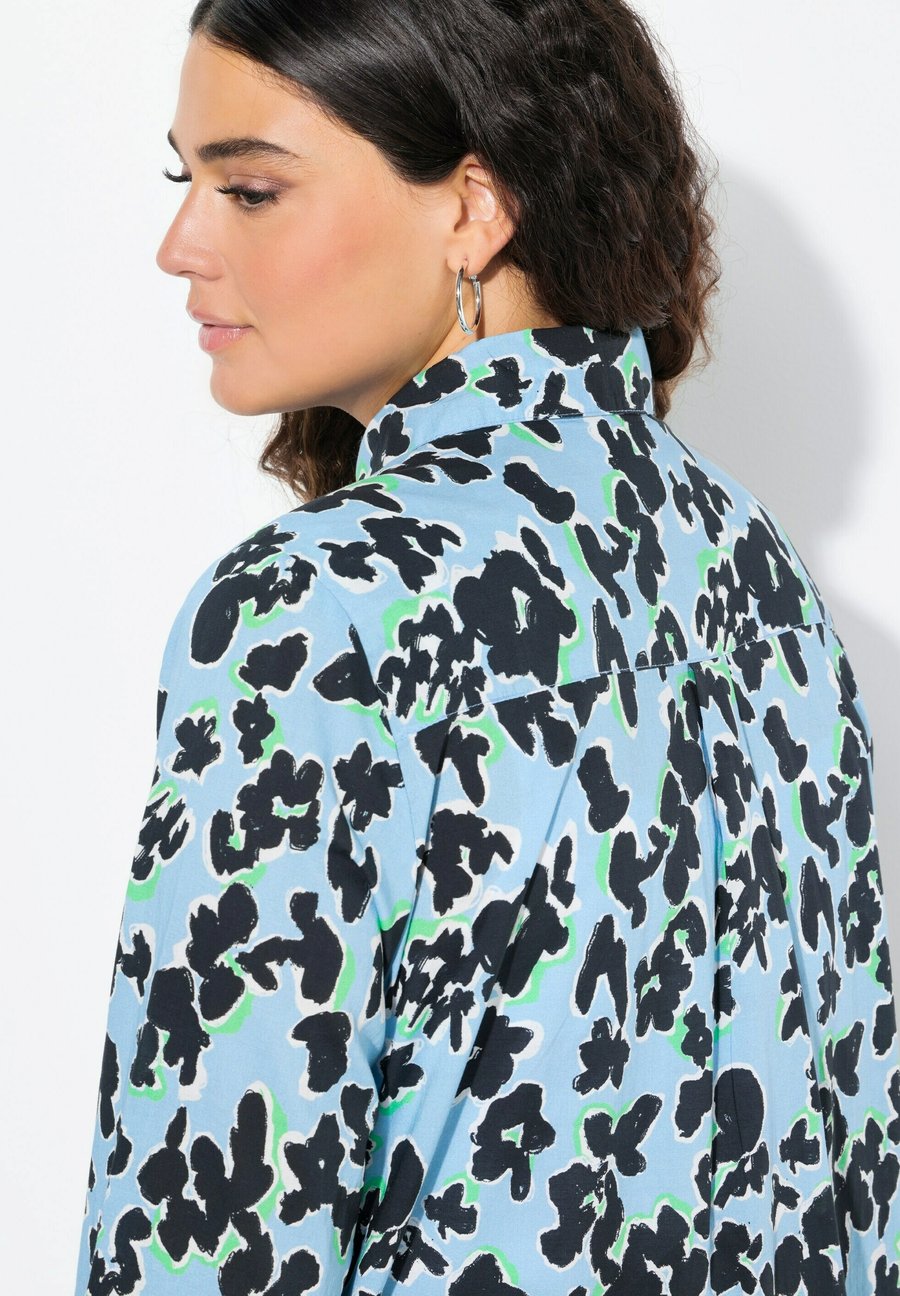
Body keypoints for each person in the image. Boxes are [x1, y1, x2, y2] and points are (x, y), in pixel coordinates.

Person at [72, 1, 900, 1293]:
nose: (181, 244)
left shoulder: (319, 607)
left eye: (250, 190)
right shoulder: (750, 559)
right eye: (188, 183)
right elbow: (850, 1138)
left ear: (472, 209)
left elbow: (215, 1211)